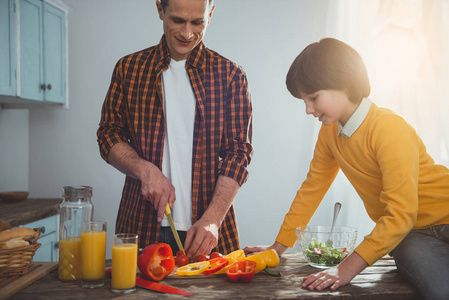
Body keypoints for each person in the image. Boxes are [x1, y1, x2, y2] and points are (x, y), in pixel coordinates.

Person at [244, 38, 449, 300]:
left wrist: (344, 270)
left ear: (343, 84)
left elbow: (401, 213)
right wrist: (278, 247)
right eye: (304, 101)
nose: (308, 110)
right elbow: (313, 188)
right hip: (410, 235)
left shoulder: (389, 128)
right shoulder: (329, 132)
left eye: (313, 98)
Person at [97, 0, 253, 258]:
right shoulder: (128, 69)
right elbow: (108, 133)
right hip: (139, 225)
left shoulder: (231, 75)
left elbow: (238, 153)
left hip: (206, 230)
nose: (187, 33)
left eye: (197, 22)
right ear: (160, 9)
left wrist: (213, 218)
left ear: (210, 14)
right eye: (178, 21)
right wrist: (144, 169)